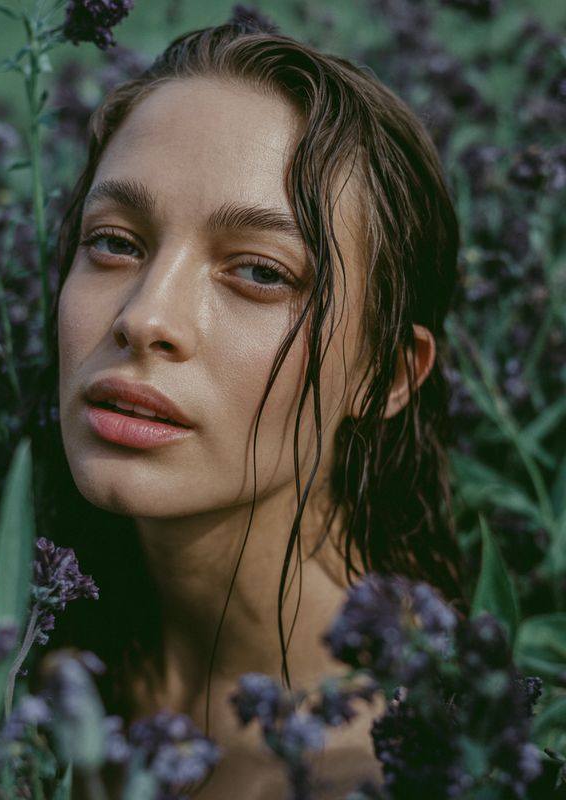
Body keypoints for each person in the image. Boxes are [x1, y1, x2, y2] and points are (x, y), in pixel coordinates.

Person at [28, 13, 466, 799]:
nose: (145, 317)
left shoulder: (403, 773)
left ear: (389, 375)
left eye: (260, 272)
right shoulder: (30, 684)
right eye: (116, 242)